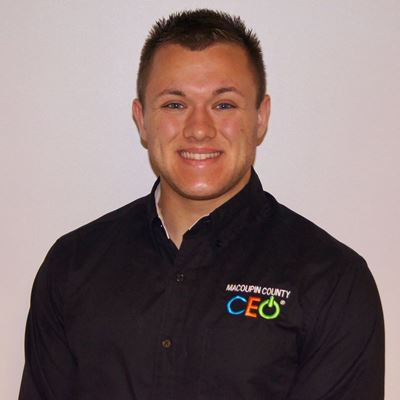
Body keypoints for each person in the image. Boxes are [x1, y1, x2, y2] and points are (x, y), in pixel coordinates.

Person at [19, 9, 384, 400]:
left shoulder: (333, 282)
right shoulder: (72, 264)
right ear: (142, 120)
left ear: (260, 117)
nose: (198, 129)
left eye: (223, 105)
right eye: (175, 105)